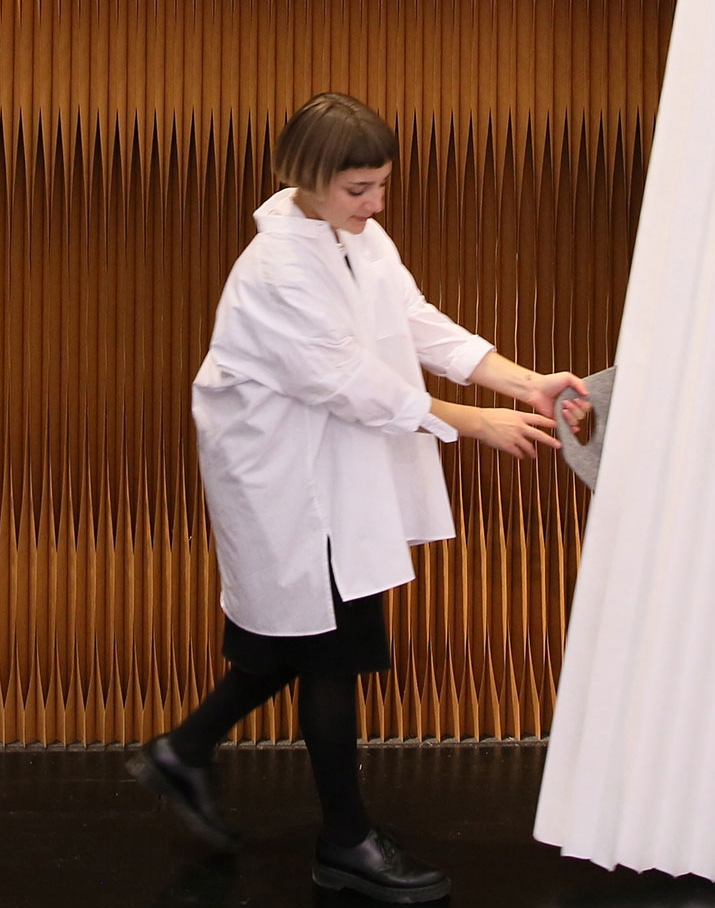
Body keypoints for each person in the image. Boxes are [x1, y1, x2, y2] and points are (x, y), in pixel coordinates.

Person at [128, 92, 588, 904]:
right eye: (359, 189)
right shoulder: (276, 270)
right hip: (289, 480)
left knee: (294, 640)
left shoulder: (357, 238)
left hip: (334, 464)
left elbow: (414, 324)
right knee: (332, 651)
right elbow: (352, 383)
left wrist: (524, 380)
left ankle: (183, 751)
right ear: (306, 178)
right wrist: (474, 425)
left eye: (380, 186)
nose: (376, 205)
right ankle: (344, 843)